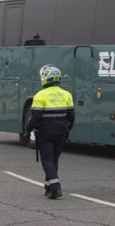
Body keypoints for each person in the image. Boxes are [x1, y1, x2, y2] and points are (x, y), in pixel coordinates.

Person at [24, 64, 75, 199]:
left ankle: (56, 187)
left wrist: (27, 130)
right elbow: (71, 116)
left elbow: (35, 117)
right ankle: (49, 188)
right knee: (54, 160)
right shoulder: (67, 94)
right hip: (61, 132)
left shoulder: (40, 95)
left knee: (47, 160)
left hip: (45, 133)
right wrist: (68, 128)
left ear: (45, 79)